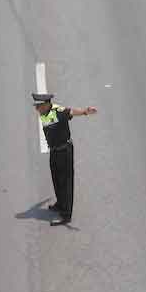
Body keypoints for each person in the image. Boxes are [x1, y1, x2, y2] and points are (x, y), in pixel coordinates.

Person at [31, 92, 97, 226]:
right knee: (56, 178)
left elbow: (71, 112)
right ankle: (60, 203)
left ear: (46, 104)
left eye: (38, 106)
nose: (36, 109)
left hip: (64, 151)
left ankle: (66, 215)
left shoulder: (58, 111)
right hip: (54, 151)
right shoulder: (44, 113)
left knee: (65, 181)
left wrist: (85, 111)